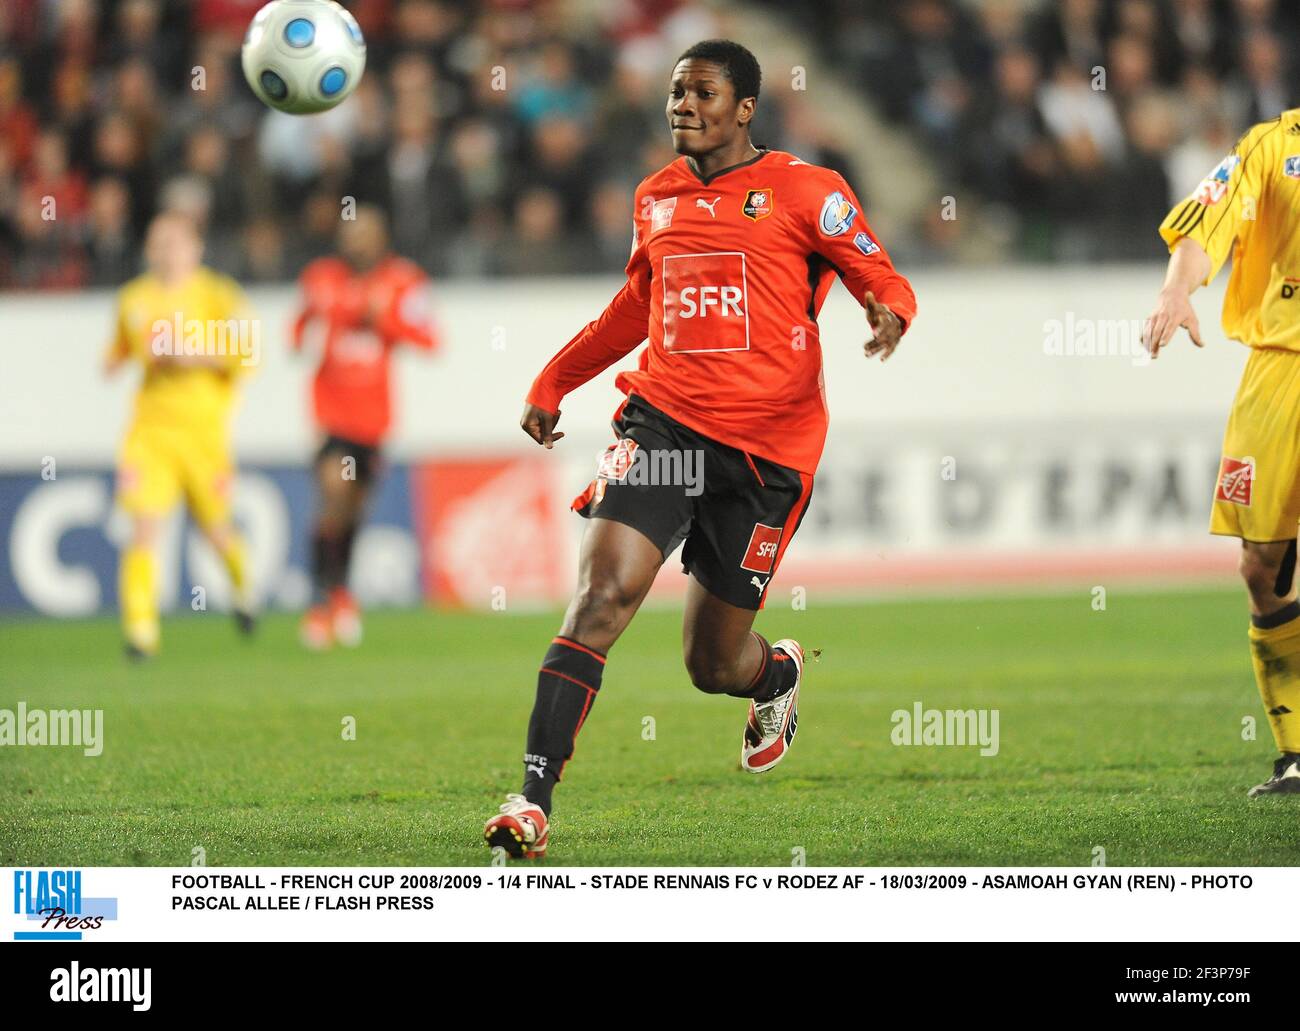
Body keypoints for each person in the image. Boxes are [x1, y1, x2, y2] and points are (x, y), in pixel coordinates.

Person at [484, 40, 917, 858]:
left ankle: (774, 677)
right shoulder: (656, 198)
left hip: (768, 456)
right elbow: (634, 308)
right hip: (665, 427)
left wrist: (890, 311)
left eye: (702, 93)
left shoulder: (807, 191)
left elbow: (877, 270)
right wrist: (553, 380)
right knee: (602, 595)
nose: (682, 105)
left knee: (712, 663)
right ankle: (532, 799)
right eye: (677, 92)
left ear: (744, 107)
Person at [1146, 106, 1300, 796]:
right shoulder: (1275, 146)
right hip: (1282, 367)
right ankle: (1297, 751)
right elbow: (1209, 219)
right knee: (1261, 566)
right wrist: (1178, 289)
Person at [105, 210, 255, 659]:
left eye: (174, 242)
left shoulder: (218, 295)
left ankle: (242, 587)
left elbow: (247, 352)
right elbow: (116, 354)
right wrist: (120, 361)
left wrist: (193, 354)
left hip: (203, 435)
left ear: (195, 248)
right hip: (150, 434)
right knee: (144, 528)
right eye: (158, 243)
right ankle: (141, 631)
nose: (166, 252)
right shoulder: (134, 299)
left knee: (216, 531)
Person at [291, 205, 438, 649]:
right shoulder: (321, 276)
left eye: (364, 233)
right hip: (330, 414)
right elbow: (299, 325)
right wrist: (303, 335)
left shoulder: (404, 280)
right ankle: (320, 603)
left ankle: (340, 593)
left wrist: (383, 320)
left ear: (381, 237)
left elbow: (430, 338)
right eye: (349, 233)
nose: (355, 241)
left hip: (373, 422)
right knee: (333, 493)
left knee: (353, 510)